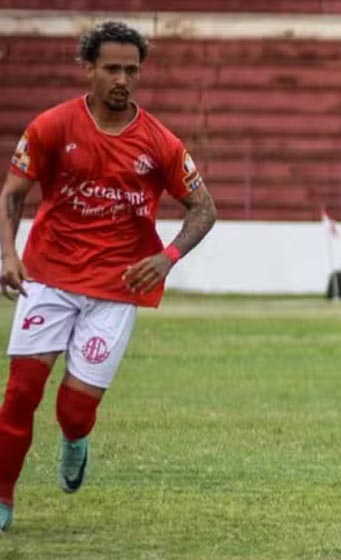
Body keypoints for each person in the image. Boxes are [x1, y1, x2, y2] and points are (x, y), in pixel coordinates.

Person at [0, 21, 217, 531]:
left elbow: (203, 208)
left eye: (132, 70)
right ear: (89, 69)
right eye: (113, 68)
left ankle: (76, 439)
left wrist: (167, 256)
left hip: (116, 291)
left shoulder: (160, 142)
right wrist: (8, 256)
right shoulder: (52, 126)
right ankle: (3, 497)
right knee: (21, 394)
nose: (123, 79)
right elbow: (13, 193)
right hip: (48, 278)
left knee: (74, 411)